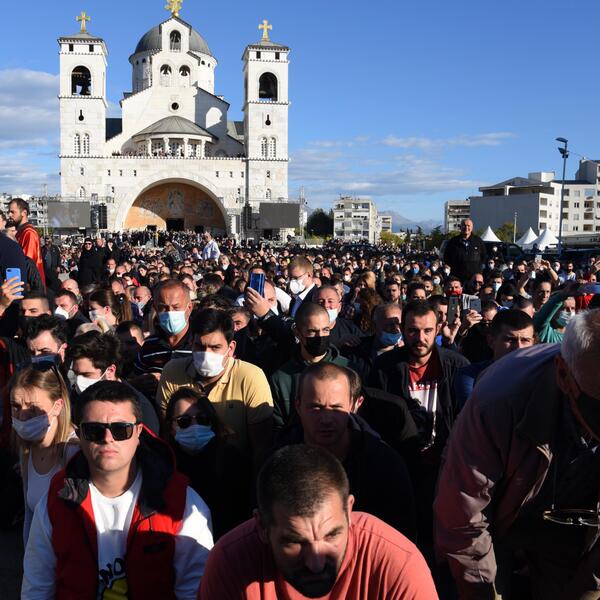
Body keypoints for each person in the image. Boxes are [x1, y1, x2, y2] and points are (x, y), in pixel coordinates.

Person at [434, 309, 600, 599]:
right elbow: (464, 517)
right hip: (499, 517)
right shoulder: (497, 401)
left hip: (580, 528)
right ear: (563, 375)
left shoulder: (585, 381)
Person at [22, 380, 213, 598]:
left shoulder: (183, 504)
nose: (107, 439)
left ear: (139, 432)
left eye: (121, 430)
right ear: (79, 435)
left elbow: (193, 592)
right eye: (94, 430)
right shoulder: (55, 502)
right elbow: (37, 588)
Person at [198, 444, 438, 599]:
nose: (316, 563)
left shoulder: (396, 562)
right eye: (295, 542)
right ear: (262, 527)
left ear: (349, 511)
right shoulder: (229, 562)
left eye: (332, 535)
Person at [276, 363, 416, 538]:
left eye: (336, 408)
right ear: (298, 406)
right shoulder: (277, 464)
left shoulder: (384, 465)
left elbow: (401, 540)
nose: (326, 419)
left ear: (353, 405)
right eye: (316, 408)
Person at [156, 308, 273, 473]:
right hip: (183, 469)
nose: (206, 354)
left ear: (231, 348)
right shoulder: (172, 372)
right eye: (200, 346)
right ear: (191, 343)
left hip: (236, 472)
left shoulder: (250, 376)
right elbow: (166, 432)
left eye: (215, 347)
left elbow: (261, 444)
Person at [164, 387, 250, 539]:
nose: (195, 426)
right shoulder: (163, 465)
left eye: (202, 419)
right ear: (171, 427)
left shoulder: (231, 459)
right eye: (184, 421)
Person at [10, 364, 78, 544]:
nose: (22, 417)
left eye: (32, 408)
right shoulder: (27, 448)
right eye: (16, 406)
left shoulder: (74, 452)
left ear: (57, 406)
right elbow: (30, 516)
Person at [270, 302, 350, 428]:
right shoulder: (281, 379)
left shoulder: (348, 369)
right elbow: (278, 427)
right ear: (297, 333)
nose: (320, 336)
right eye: (312, 331)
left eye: (325, 330)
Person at [67, 330, 160, 434]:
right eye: (76, 374)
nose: (78, 381)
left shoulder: (140, 408)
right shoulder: (74, 399)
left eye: (86, 375)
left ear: (110, 371)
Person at [453, 309, 536, 409]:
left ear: (533, 342)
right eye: (510, 340)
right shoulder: (471, 377)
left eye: (525, 340)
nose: (518, 347)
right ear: (491, 341)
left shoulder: (542, 376)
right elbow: (477, 413)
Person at [133, 279, 194, 398]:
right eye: (163, 308)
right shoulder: (149, 345)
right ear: (156, 309)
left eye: (176, 307)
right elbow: (136, 376)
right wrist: (140, 382)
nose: (170, 312)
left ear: (190, 308)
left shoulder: (201, 343)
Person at [7, 198, 46, 288]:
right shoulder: (20, 231)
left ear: (24, 213)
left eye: (12, 212)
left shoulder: (29, 233)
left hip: (30, 287)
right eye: (9, 212)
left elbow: (28, 263)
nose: (9, 215)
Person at [443, 218, 487, 282]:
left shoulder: (478, 241)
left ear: (472, 227)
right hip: (457, 277)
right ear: (460, 227)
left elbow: (484, 257)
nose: (466, 227)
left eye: (468, 226)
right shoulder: (453, 241)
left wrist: (480, 272)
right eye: (464, 225)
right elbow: (446, 257)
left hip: (474, 279)